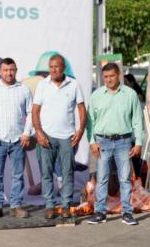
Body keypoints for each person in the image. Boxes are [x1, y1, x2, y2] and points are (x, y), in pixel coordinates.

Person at [87, 62, 144, 226]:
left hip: (124, 142)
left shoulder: (130, 94)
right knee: (102, 178)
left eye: (112, 76)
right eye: (105, 77)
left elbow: (137, 121)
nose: (109, 79)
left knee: (125, 179)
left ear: (118, 75)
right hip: (102, 142)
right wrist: (92, 142)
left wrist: (138, 143)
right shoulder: (97, 95)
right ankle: (100, 212)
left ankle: (127, 213)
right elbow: (90, 122)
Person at [32, 54, 86, 219]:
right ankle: (49, 205)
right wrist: (39, 132)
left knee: (68, 172)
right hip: (46, 136)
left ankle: (65, 205)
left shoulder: (74, 84)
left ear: (63, 68)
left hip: (67, 137)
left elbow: (82, 110)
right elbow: (35, 111)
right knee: (46, 172)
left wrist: (80, 131)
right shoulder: (42, 85)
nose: (53, 70)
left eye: (57, 66)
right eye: (51, 66)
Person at [0, 58, 32, 219]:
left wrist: (26, 133)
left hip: (18, 140)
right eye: (5, 70)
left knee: (18, 174)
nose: (9, 73)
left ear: (16, 70)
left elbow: (31, 113)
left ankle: (16, 206)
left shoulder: (24, 89)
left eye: (11, 70)